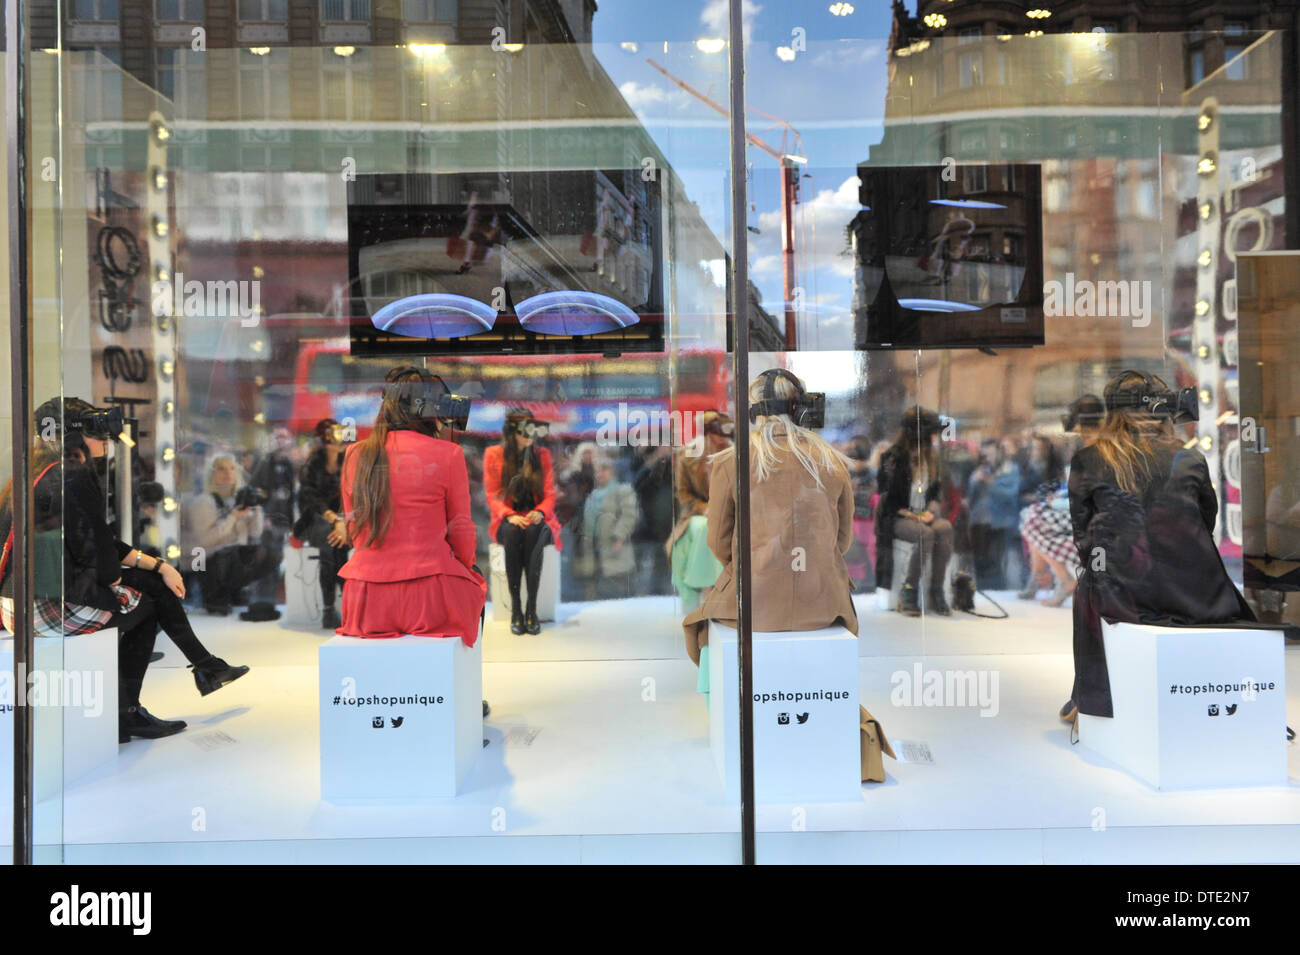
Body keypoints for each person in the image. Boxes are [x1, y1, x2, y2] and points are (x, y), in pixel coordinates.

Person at [0, 398, 248, 742]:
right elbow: (105, 566)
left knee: (149, 588)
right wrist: (141, 574)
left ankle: (200, 671)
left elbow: (99, 544)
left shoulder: (34, 473)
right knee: (148, 608)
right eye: (94, 429)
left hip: (19, 603)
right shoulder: (72, 477)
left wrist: (156, 565)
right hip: (47, 606)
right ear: (73, 436)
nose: (106, 437)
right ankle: (130, 712)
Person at [1063, 371, 1255, 724]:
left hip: (1129, 595)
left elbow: (1084, 540)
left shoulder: (1089, 459)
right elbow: (1206, 522)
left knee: (1089, 583)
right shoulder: (1190, 457)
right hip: (1199, 595)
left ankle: (1089, 697)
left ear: (1112, 413)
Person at [683, 370, 859, 679]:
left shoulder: (731, 461)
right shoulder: (832, 461)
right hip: (824, 606)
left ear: (752, 411)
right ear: (801, 408)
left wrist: (759, 563)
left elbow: (719, 543)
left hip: (752, 609)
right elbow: (842, 541)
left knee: (700, 630)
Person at [337, 367, 486, 643]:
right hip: (430, 597)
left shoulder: (355, 454)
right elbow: (462, 531)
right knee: (476, 584)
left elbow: (353, 528)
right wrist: (466, 566)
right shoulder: (449, 453)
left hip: (365, 601)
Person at [483, 407, 562, 634]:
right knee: (512, 533)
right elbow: (492, 495)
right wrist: (509, 514)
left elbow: (550, 494)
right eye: (522, 431)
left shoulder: (542, 456)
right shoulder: (494, 454)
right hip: (506, 518)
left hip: (535, 517)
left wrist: (540, 512)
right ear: (512, 432)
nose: (528, 436)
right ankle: (516, 608)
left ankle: (531, 608)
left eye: (530, 430)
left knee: (533, 532)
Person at [1018, 399, 1103, 606]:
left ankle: (1053, 580)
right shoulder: (1088, 448)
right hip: (1085, 511)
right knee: (1032, 516)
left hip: (1093, 515)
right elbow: (1083, 490)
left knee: (1032, 518)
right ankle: (1050, 579)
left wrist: (1062, 500)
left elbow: (1092, 494)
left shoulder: (1096, 451)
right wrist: (1063, 496)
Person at [874, 407, 954, 616]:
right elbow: (886, 497)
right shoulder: (893, 457)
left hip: (922, 513)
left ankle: (936, 589)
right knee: (925, 533)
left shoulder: (931, 457)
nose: (935, 437)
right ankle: (909, 590)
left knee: (944, 528)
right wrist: (913, 515)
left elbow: (936, 491)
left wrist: (931, 509)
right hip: (898, 516)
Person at [183, 454, 279, 617]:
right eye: (221, 469)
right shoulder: (203, 502)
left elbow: (255, 533)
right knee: (235, 553)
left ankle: (233, 589)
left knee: (271, 554)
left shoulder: (238, 499)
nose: (228, 473)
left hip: (232, 561)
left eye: (232, 468)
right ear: (211, 474)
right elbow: (204, 542)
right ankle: (216, 594)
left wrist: (256, 510)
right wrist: (233, 517)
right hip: (206, 564)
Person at [666, 410, 733, 610]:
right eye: (718, 433)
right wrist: (705, 508)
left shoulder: (734, 454)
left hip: (729, 513)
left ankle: (713, 589)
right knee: (704, 528)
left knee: (716, 528)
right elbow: (684, 495)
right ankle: (707, 586)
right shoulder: (687, 456)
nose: (723, 439)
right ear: (707, 433)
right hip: (697, 515)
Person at [293, 418, 351, 629]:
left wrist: (342, 520)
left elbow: (353, 493)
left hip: (342, 521)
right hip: (314, 519)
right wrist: (336, 520)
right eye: (335, 436)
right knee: (330, 546)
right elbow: (310, 499)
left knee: (340, 549)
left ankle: (348, 607)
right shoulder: (313, 463)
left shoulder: (348, 460)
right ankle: (329, 609)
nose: (341, 440)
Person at [574, 456, 639, 601]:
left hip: (615, 547)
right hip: (594, 550)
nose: (600, 473)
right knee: (596, 589)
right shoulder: (593, 495)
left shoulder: (623, 490)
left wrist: (620, 537)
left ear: (613, 472)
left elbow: (629, 515)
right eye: (597, 470)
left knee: (617, 587)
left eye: (604, 469)